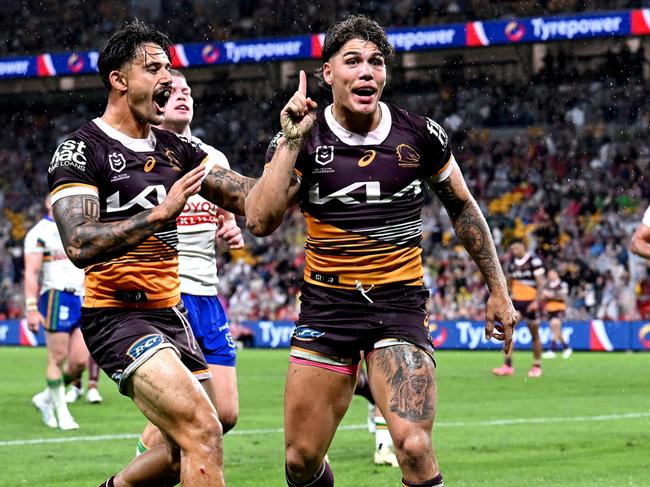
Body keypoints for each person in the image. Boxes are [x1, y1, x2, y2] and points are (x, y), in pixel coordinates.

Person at [245, 15, 517, 487]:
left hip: (398, 304)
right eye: (352, 61)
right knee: (300, 460)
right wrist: (290, 137)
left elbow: (464, 209)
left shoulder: (419, 135)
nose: (366, 71)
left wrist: (498, 289)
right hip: (327, 307)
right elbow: (260, 220)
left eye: (376, 62)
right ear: (328, 73)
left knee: (413, 445)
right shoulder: (303, 138)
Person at [47, 20, 255, 487]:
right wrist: (159, 216)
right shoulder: (81, 149)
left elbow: (251, 199)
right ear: (119, 80)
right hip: (116, 315)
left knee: (190, 440)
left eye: (168, 67)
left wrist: (294, 144)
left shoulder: (177, 148)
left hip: (170, 311)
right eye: (153, 68)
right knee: (203, 430)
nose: (166, 77)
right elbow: (80, 242)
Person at [136, 69, 244, 456]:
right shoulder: (142, 157)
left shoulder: (212, 157)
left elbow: (228, 218)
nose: (182, 95)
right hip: (169, 293)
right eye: (171, 91)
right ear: (156, 102)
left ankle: (144, 458)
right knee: (189, 412)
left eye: (187, 90)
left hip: (207, 295)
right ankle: (144, 470)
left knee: (226, 413)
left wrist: (232, 232)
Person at [24, 195, 88, 430]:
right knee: (57, 358)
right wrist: (31, 308)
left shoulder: (79, 227)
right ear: (48, 203)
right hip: (55, 296)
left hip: (82, 296)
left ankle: (45, 399)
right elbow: (31, 272)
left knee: (79, 362)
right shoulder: (39, 233)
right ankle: (62, 412)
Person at [493, 238, 545, 377]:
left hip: (531, 303)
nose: (514, 251)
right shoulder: (511, 264)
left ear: (523, 247)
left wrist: (536, 302)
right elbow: (509, 283)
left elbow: (541, 283)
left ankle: (537, 365)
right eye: (513, 249)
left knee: (535, 335)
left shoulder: (534, 261)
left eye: (516, 248)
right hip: (516, 302)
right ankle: (507, 365)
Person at [541, 269, 572, 359]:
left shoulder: (562, 284)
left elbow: (563, 297)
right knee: (555, 329)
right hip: (550, 309)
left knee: (555, 324)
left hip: (559, 308)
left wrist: (551, 295)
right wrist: (544, 296)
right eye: (549, 274)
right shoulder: (546, 285)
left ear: (556, 274)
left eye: (552, 274)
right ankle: (566, 347)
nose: (551, 276)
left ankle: (552, 350)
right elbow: (543, 298)